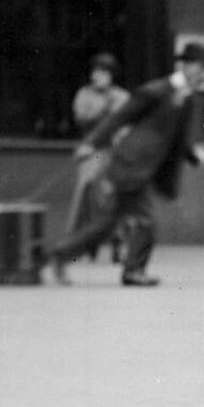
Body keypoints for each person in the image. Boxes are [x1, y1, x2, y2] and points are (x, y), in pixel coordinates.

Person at [47, 42, 204, 287]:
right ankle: (133, 271)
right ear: (188, 66)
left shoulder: (186, 99)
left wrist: (196, 157)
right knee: (144, 222)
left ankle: (60, 254)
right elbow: (121, 116)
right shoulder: (158, 90)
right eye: (202, 68)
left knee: (105, 225)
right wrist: (92, 143)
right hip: (130, 164)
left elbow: (178, 140)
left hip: (141, 168)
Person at [66, 52, 130, 261]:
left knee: (112, 196)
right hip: (92, 150)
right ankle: (76, 244)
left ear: (111, 75)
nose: (97, 76)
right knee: (85, 193)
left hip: (114, 151)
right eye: (95, 71)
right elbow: (82, 120)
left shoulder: (121, 96)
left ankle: (118, 242)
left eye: (103, 72)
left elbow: (125, 125)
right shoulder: (85, 94)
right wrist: (104, 110)